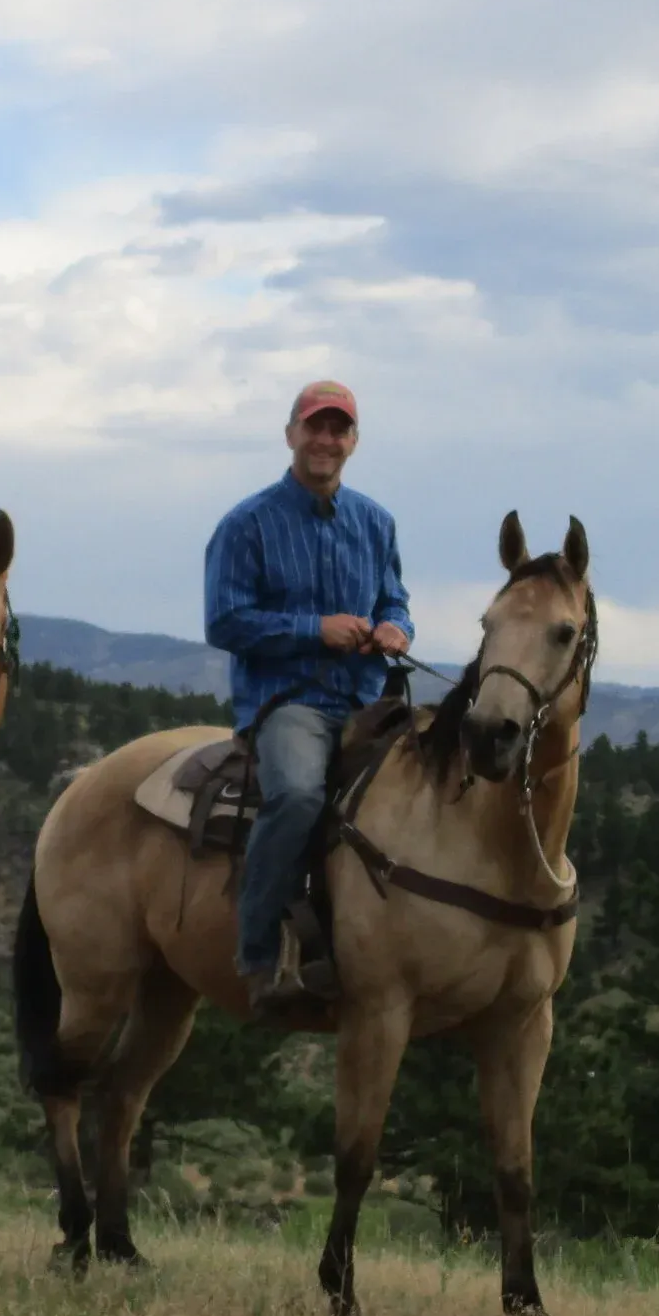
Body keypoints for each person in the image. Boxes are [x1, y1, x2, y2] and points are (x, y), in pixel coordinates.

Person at [202, 379, 412, 1011]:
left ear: (353, 441)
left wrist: (397, 627)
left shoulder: (376, 522)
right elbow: (224, 622)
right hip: (289, 700)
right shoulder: (247, 523)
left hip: (368, 701)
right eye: (314, 426)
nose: (326, 440)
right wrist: (313, 630)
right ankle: (261, 955)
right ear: (290, 433)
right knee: (296, 795)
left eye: (338, 429)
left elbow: (393, 598)